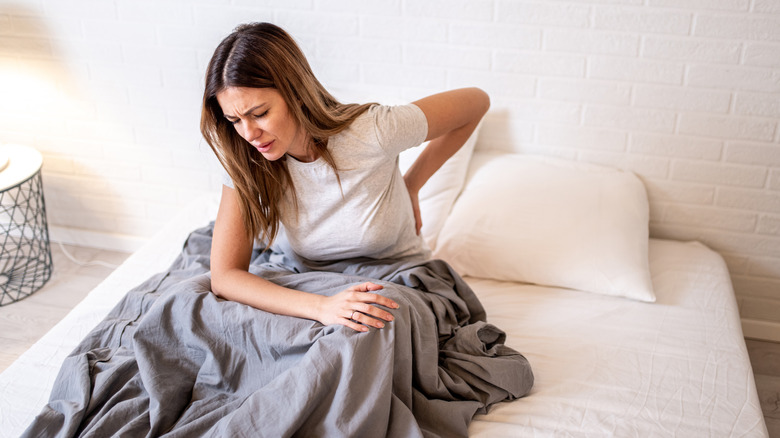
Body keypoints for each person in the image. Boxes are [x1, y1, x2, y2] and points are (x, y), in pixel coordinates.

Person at [200, 22, 489, 334]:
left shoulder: (373, 131)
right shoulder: (246, 157)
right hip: (306, 284)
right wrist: (322, 308)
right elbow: (225, 276)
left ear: (295, 92)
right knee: (204, 318)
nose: (249, 133)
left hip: (393, 278)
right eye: (234, 120)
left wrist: (411, 184)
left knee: (365, 331)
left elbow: (476, 102)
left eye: (260, 113)